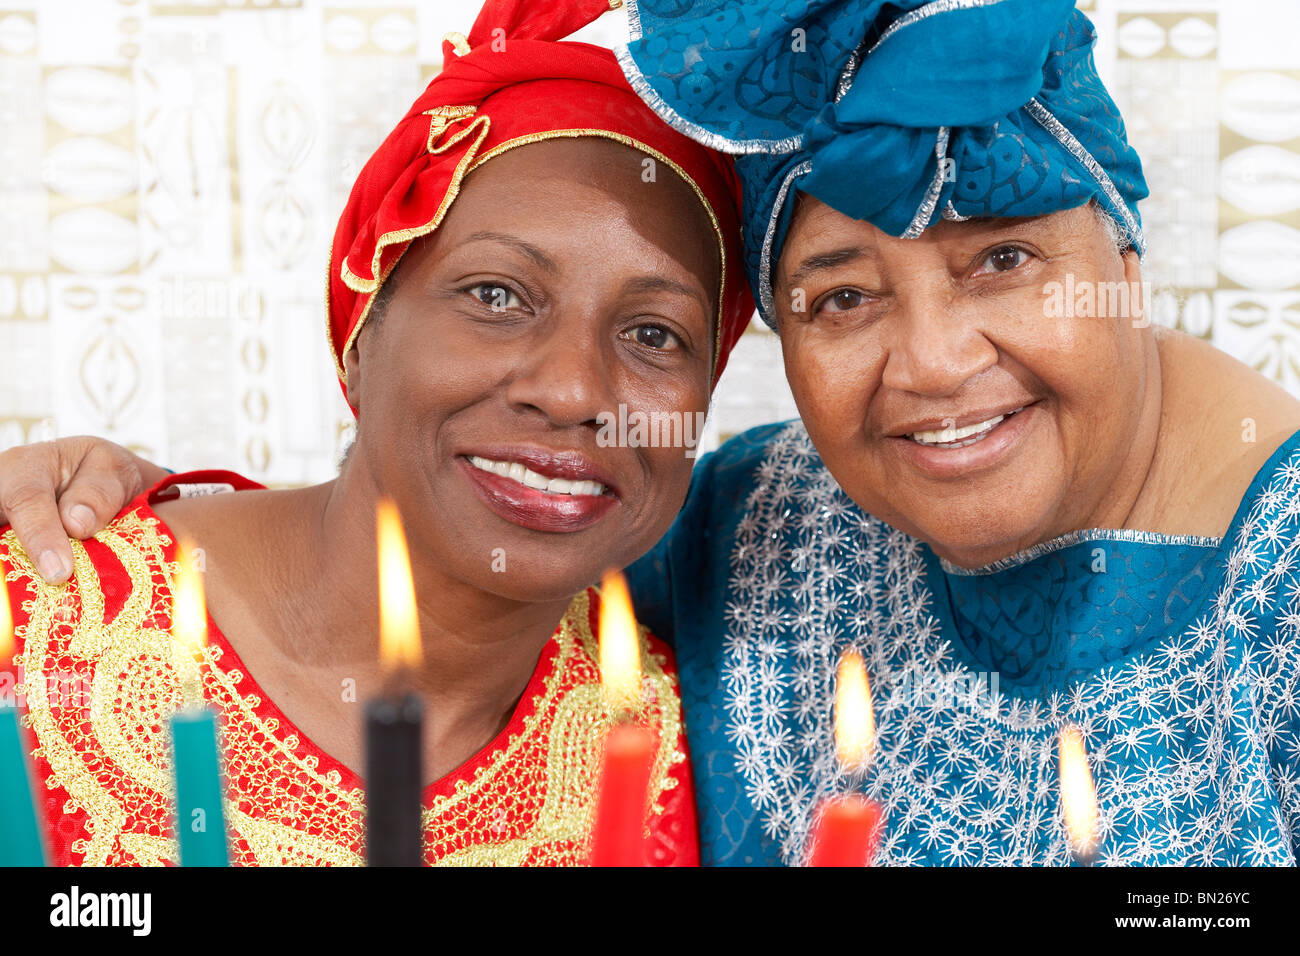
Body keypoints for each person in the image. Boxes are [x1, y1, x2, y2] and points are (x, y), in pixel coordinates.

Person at [9, 1, 1300, 868]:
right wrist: (108, 495)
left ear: (1124, 264)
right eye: (844, 293)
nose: (937, 362)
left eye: (1006, 259)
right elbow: (435, 527)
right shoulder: (743, 545)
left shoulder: (1274, 602)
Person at [0, 0, 753, 867]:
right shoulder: (40, 618)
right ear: (359, 330)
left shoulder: (672, 748)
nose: (572, 389)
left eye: (654, 334)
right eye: (497, 296)